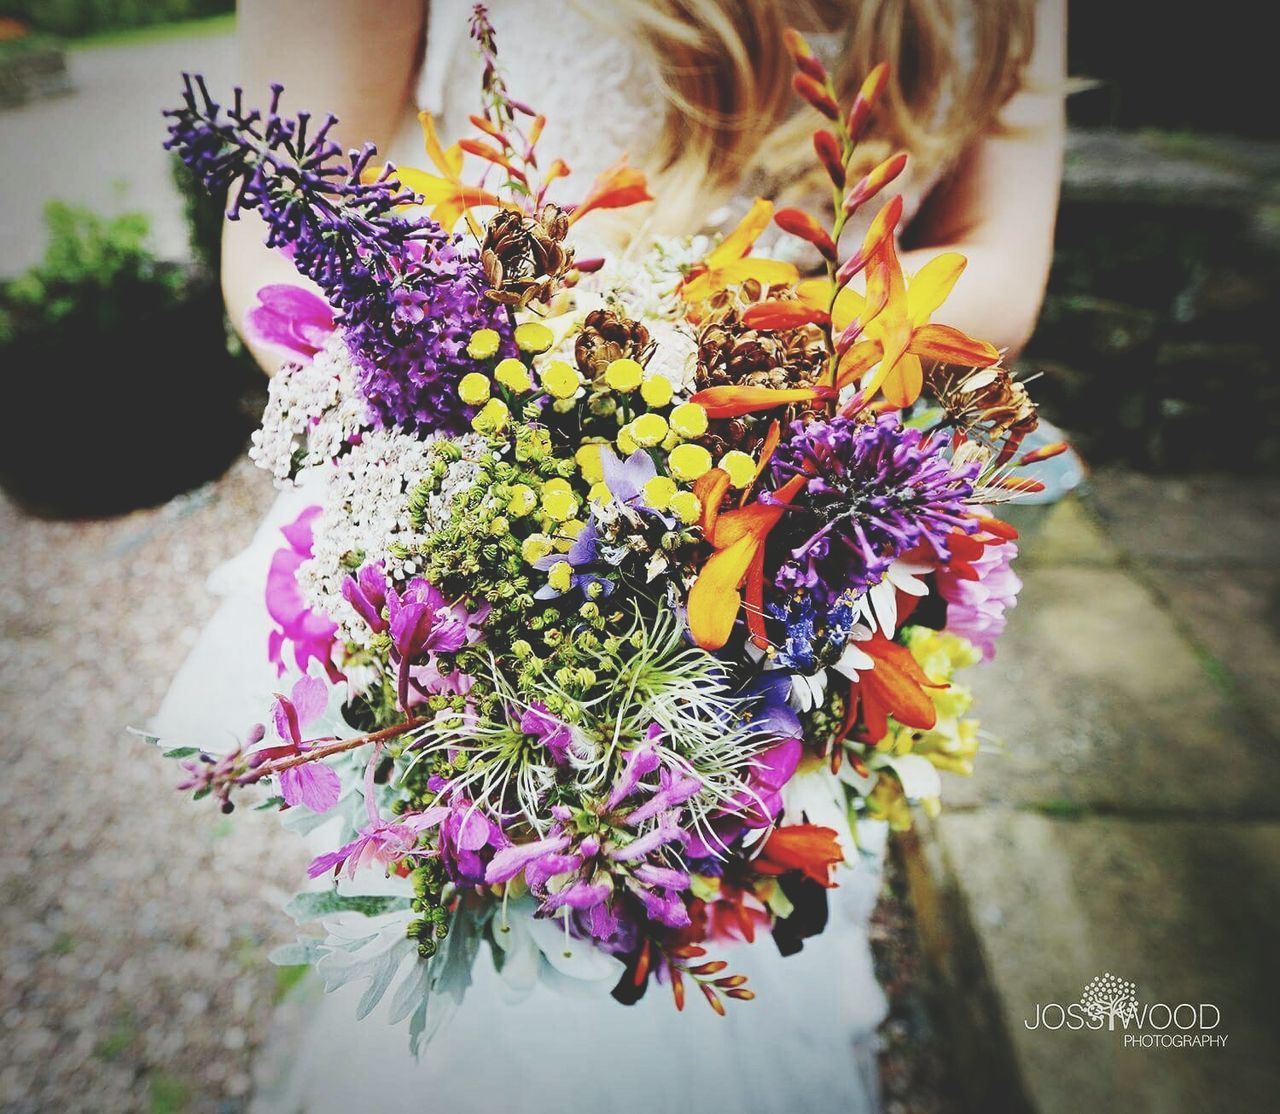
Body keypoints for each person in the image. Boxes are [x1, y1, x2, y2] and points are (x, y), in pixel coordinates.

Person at [157, 2, 1065, 1110]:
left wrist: (716, 380)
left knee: (714, 971)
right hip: (483, 507)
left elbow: (1005, 262)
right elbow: (277, 242)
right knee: (507, 1018)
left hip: (798, 554)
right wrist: (515, 427)